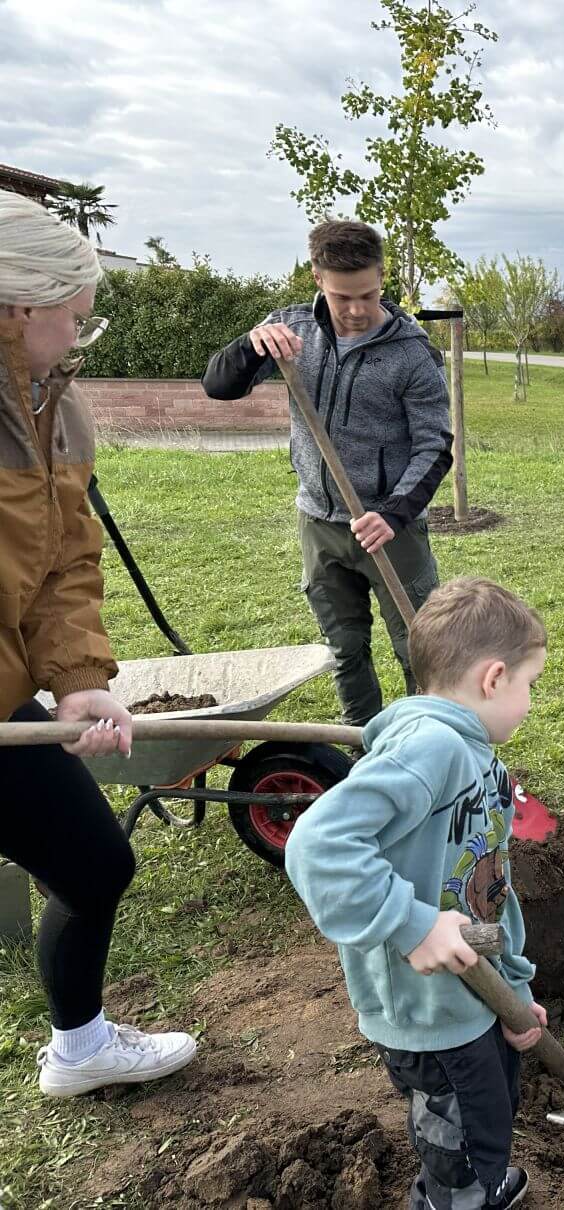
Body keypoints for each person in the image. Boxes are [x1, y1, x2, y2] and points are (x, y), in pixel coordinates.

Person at [0, 193, 198, 1096]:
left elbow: (64, 561)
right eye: (74, 318)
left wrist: (77, 679)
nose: (83, 336)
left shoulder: (54, 406)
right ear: (16, 307)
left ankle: (78, 1049)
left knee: (93, 861)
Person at [286, 577, 548, 1209]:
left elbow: (487, 893)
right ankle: (455, 1198)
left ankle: (479, 1180)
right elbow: (317, 844)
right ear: (493, 678)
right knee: (456, 1134)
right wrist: (414, 923)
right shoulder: (430, 749)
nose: (531, 702)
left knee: (489, 1107)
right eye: (529, 685)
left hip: (472, 991)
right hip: (427, 1010)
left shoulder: (476, 754)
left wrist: (514, 991)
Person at [203, 220, 451, 726]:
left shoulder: (412, 352)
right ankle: (363, 746)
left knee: (419, 645)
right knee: (345, 648)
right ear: (318, 278)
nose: (357, 310)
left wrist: (394, 513)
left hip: (388, 528)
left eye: (368, 293)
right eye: (343, 297)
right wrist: (252, 345)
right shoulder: (290, 332)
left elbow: (436, 445)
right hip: (318, 521)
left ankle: (431, 742)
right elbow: (219, 387)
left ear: (383, 278)